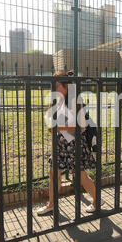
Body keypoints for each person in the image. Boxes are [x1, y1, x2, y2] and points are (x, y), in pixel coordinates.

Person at [37, 70, 103, 215]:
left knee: (81, 177)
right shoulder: (57, 101)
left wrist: (59, 126)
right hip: (60, 144)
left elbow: (81, 126)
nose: (54, 89)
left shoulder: (75, 101)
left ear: (66, 86)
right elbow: (50, 126)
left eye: (57, 86)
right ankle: (51, 204)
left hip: (74, 145)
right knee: (54, 173)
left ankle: (97, 201)